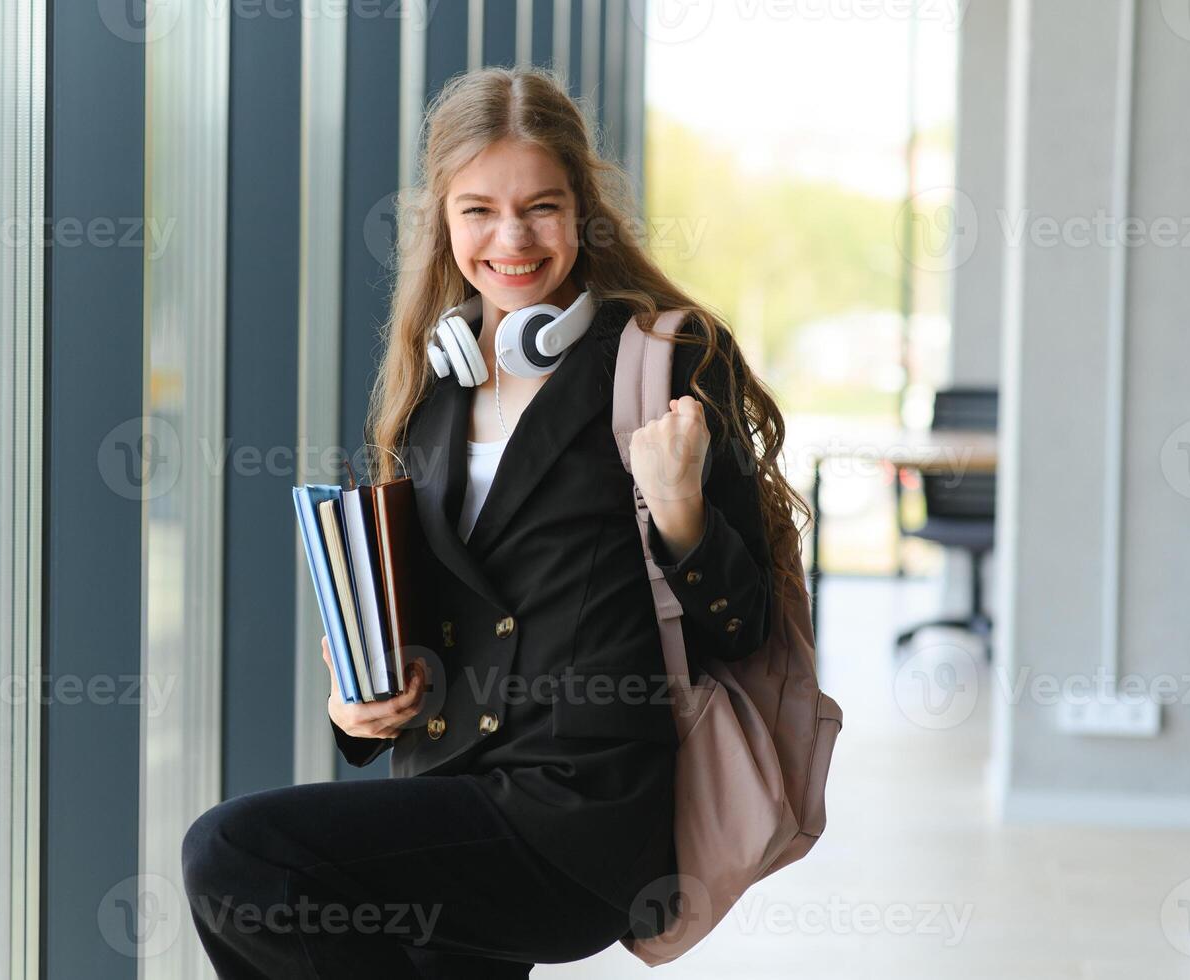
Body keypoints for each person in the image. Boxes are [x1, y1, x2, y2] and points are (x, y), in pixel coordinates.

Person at [181, 65, 807, 979]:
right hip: (445, 790)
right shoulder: (433, 382)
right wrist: (357, 710)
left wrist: (678, 510)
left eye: (540, 207)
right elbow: (443, 620)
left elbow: (743, 628)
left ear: (582, 210)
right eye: (478, 210)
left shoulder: (665, 360)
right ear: (441, 219)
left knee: (234, 855)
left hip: (577, 815)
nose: (511, 238)